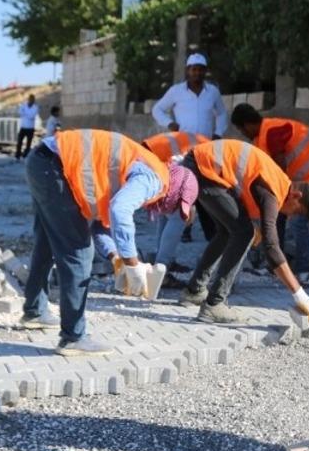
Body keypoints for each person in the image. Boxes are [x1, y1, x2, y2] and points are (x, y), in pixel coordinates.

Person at [23, 129, 194, 356]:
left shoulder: (144, 166)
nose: (168, 212)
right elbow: (120, 210)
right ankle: (73, 337)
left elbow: (99, 224)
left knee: (47, 241)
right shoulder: (155, 179)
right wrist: (132, 263)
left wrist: (115, 257)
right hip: (56, 167)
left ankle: (34, 311)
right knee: (79, 253)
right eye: (175, 207)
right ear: (176, 192)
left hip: (44, 161)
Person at [181, 139, 309, 326]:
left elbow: (243, 189)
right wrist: (300, 295)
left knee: (230, 231)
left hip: (201, 164)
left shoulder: (279, 182)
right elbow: (271, 247)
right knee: (244, 233)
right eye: (296, 212)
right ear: (297, 196)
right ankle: (214, 305)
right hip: (204, 168)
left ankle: (194, 291)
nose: (290, 217)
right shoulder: (273, 192)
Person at [231, 104, 309, 280]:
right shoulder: (261, 138)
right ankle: (274, 267)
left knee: (298, 221)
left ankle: (304, 272)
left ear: (247, 124)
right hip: (305, 179)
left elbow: (279, 166)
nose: (243, 134)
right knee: (276, 216)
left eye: (241, 130)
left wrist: (272, 195)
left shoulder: (272, 130)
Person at [153, 53, 228, 243]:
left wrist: (218, 134)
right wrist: (170, 123)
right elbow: (157, 109)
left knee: (204, 187)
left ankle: (210, 231)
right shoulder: (176, 91)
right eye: (193, 69)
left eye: (200, 69)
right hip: (181, 148)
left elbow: (222, 114)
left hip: (205, 148)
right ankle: (184, 228)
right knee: (183, 186)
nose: (196, 72)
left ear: (204, 71)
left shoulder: (212, 92)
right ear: (188, 71)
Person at [141, 131, 212, 287]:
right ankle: (162, 270)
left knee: (165, 212)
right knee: (177, 215)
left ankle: (162, 262)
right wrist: (190, 205)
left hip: (153, 161)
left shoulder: (200, 141)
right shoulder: (208, 150)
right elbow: (189, 173)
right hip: (163, 167)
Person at [15, 93, 40, 161]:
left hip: (30, 128)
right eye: (30, 99)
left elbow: (32, 116)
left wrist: (25, 114)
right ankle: (17, 156)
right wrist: (26, 114)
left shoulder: (35, 107)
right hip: (23, 127)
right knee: (19, 142)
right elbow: (20, 113)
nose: (31, 100)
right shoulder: (24, 105)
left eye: (32, 99)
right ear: (28, 99)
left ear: (34, 100)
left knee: (28, 144)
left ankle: (25, 155)